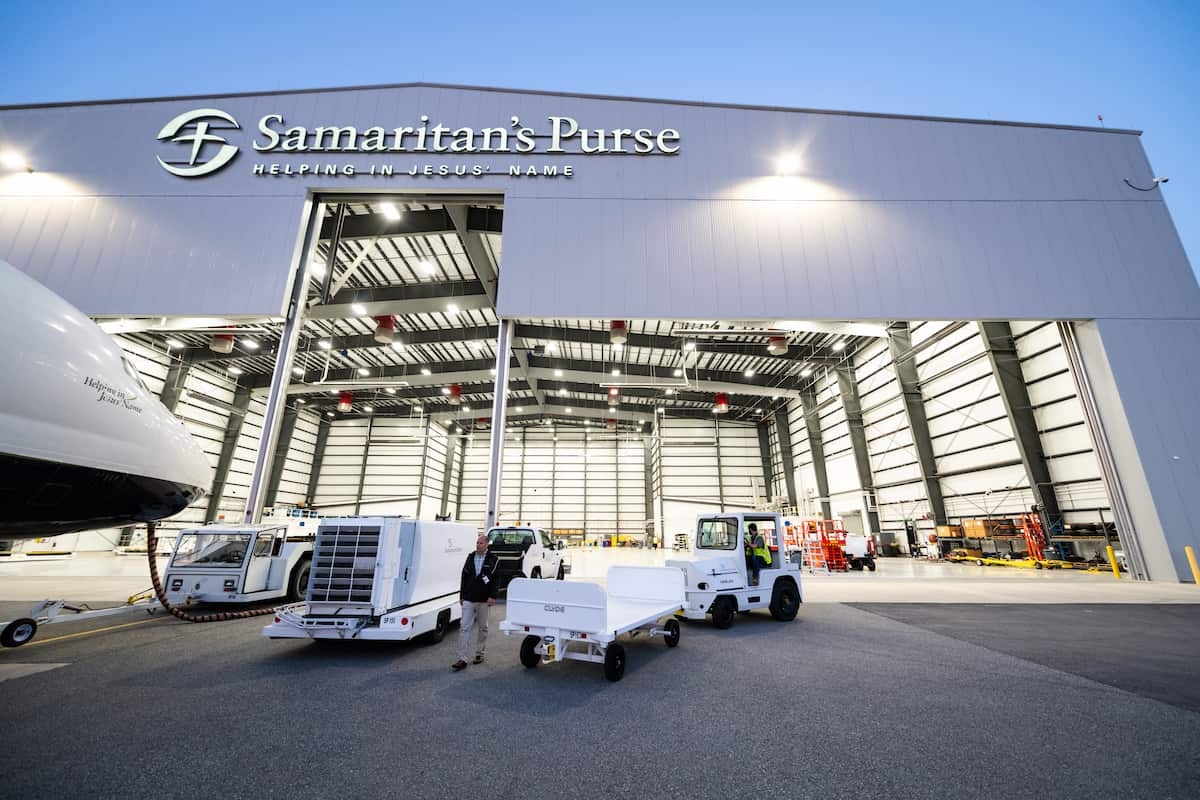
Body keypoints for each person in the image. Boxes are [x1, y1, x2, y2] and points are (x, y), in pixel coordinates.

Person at [453, 534, 498, 672]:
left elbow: (496, 579)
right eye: (477, 543)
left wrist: (492, 596)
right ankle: (462, 658)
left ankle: (479, 654)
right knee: (464, 627)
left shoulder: (493, 559)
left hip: (484, 600)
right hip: (469, 598)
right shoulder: (470, 557)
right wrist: (462, 595)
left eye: (480, 543)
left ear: (486, 545)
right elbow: (464, 576)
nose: (478, 545)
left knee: (483, 627)